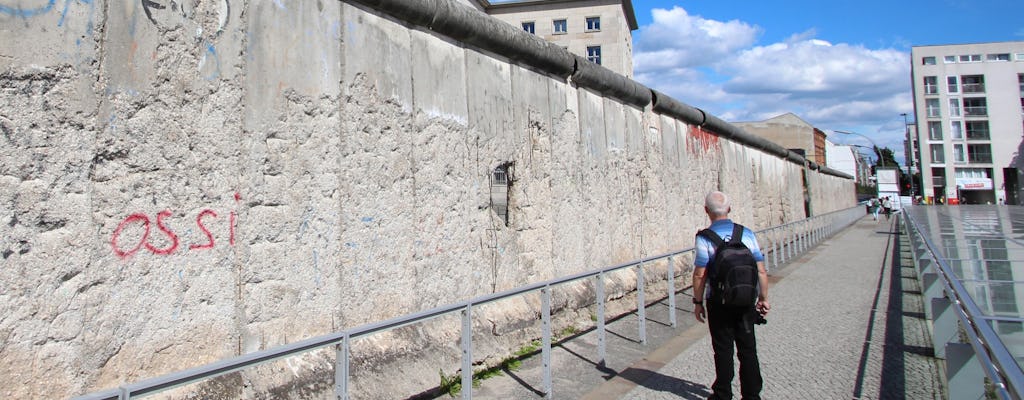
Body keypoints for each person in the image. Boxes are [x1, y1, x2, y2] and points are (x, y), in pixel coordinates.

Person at [692, 191, 770, 400]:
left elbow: (700, 274)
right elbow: (761, 269)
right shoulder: (747, 233)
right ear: (730, 209)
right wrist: (763, 298)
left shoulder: (705, 238)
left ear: (706, 211)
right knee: (748, 349)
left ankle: (723, 394)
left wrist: (698, 302)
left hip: (719, 302)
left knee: (723, 348)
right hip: (745, 299)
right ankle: (752, 395)